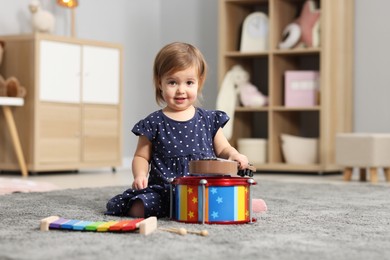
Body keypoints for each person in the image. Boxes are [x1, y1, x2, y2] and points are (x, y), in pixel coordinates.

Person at [105, 42, 256, 218]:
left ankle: (240, 204)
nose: (181, 90)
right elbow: (141, 156)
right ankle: (181, 208)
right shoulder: (153, 123)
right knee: (135, 206)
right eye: (172, 82)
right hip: (165, 190)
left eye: (189, 82)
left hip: (202, 188)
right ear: (159, 83)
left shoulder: (208, 120)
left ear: (199, 82)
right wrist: (139, 175)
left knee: (223, 195)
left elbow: (223, 149)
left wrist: (234, 155)